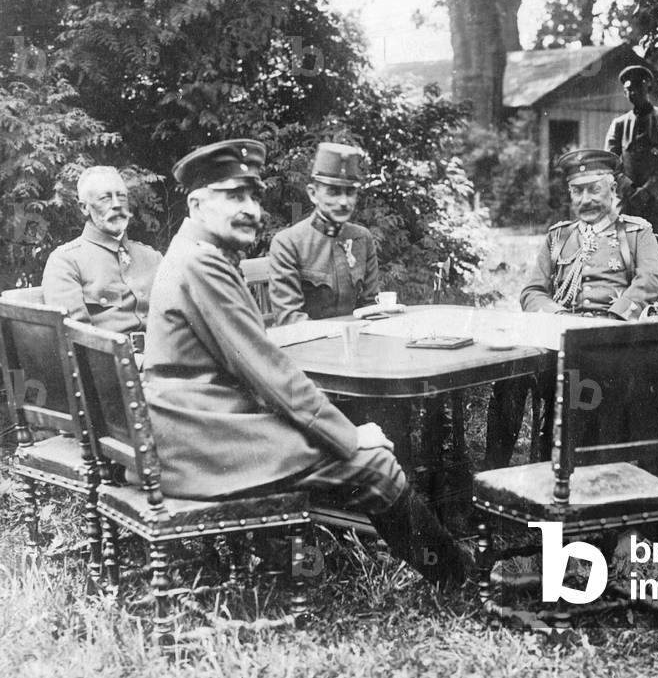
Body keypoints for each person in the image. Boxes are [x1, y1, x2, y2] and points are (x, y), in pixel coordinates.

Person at [143, 139, 466, 588]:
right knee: (374, 464)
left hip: (194, 428)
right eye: (234, 196)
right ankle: (458, 579)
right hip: (201, 441)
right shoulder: (203, 265)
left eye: (253, 197)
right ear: (197, 204)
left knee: (348, 448)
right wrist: (349, 435)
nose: (251, 209)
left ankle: (308, 553)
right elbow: (267, 370)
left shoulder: (192, 253)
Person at [488, 149, 658, 468]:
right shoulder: (558, 237)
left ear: (613, 189)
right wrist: (556, 316)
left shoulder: (637, 232)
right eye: (577, 191)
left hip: (610, 344)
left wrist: (613, 316)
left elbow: (650, 280)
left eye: (594, 189)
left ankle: (567, 462)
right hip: (559, 338)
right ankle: (493, 472)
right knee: (509, 373)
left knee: (580, 385)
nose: (586, 200)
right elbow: (532, 291)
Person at [42, 166, 161, 346]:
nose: (117, 205)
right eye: (105, 198)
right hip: (111, 360)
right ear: (84, 207)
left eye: (122, 196)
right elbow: (76, 336)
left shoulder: (152, 257)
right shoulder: (66, 262)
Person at [269, 142, 379, 325]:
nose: (343, 202)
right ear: (313, 194)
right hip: (307, 340)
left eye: (350, 192)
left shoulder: (362, 238)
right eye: (333, 192)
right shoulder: (288, 243)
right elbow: (289, 318)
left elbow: (371, 305)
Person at [605, 65, 658, 242]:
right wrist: (629, 189)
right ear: (625, 93)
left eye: (638, 87)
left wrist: (648, 191)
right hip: (628, 205)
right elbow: (610, 163)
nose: (633, 93)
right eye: (629, 89)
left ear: (649, 87)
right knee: (622, 253)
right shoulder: (619, 125)